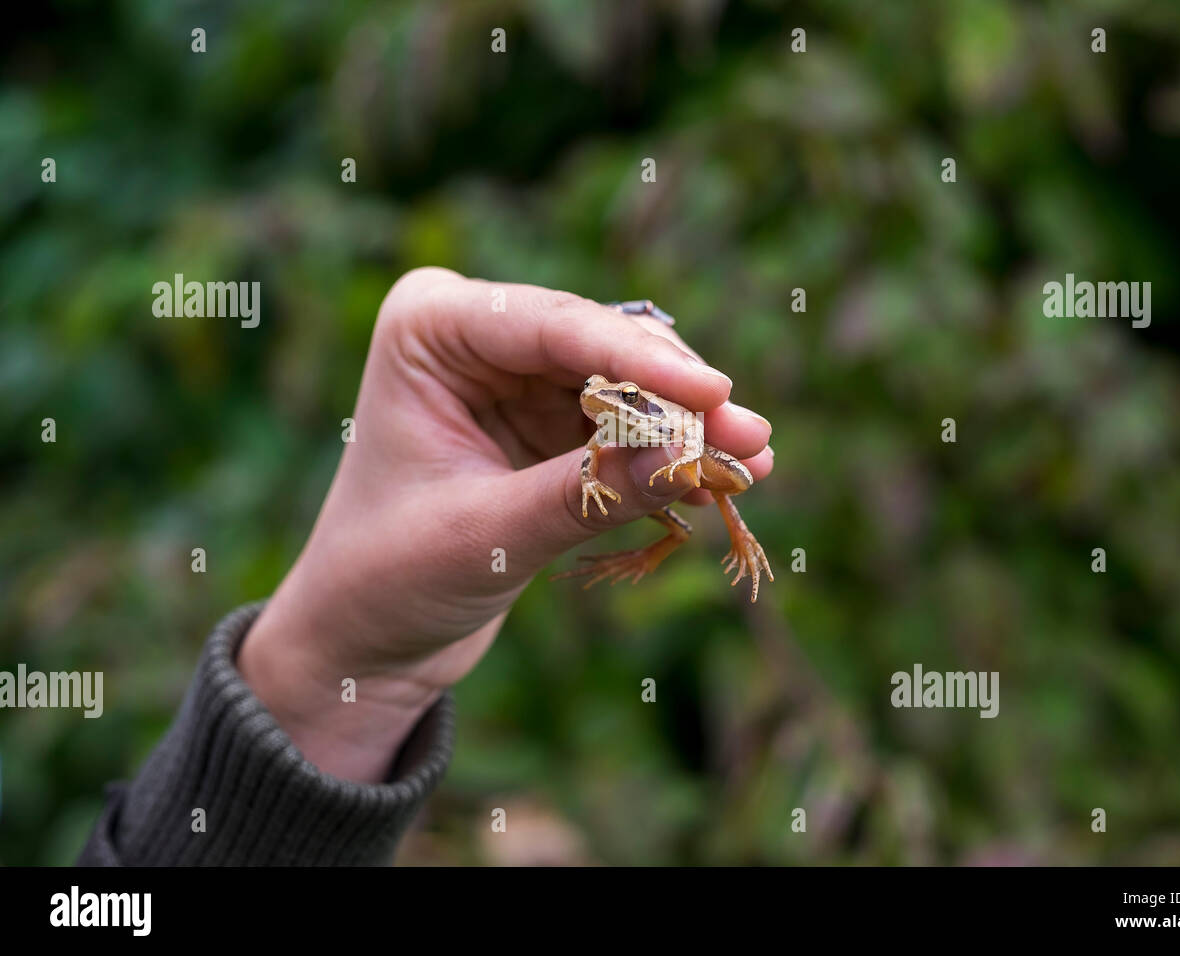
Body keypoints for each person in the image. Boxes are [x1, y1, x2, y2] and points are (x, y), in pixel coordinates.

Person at [78, 267, 774, 865]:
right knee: (669, 480)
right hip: (649, 459)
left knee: (709, 482)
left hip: (678, 448)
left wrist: (337, 677)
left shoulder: (654, 419)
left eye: (614, 394)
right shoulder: (607, 418)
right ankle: (658, 541)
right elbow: (598, 446)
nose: (600, 398)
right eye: (599, 391)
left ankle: (695, 543)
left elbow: (710, 480)